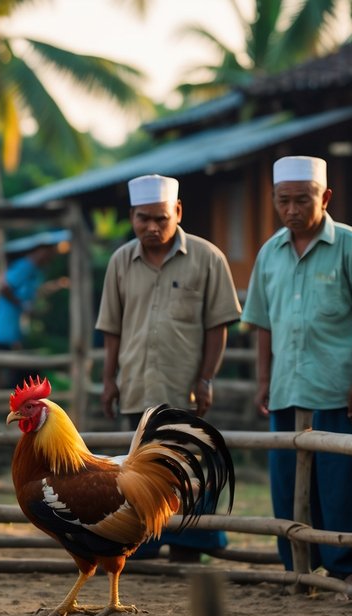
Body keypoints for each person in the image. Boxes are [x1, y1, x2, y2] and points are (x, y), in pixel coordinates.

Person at [241, 156, 352, 594]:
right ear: (273, 199)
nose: (291, 209)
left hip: (340, 390)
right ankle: (300, 566)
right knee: (291, 486)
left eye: (301, 199)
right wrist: (264, 380)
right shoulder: (269, 252)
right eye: (283, 200)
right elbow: (263, 325)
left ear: (325, 197)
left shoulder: (351, 245)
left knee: (348, 484)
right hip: (289, 391)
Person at [97, 174, 242, 562]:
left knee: (189, 466)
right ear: (132, 216)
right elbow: (111, 327)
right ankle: (141, 545)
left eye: (161, 218)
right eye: (143, 218)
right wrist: (108, 380)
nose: (152, 226)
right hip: (135, 384)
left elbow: (218, 325)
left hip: (184, 387)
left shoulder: (208, 257)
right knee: (137, 473)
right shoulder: (120, 262)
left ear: (177, 211)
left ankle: (190, 546)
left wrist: (206, 378)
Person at [0, 230, 68, 388]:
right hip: (5, 333)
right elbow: (2, 286)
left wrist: (56, 285)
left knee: (23, 377)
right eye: (51, 253)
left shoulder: (35, 271)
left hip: (15, 334)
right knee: (21, 377)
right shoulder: (26, 266)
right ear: (42, 252)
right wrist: (22, 305)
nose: (52, 257)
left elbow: (31, 293)